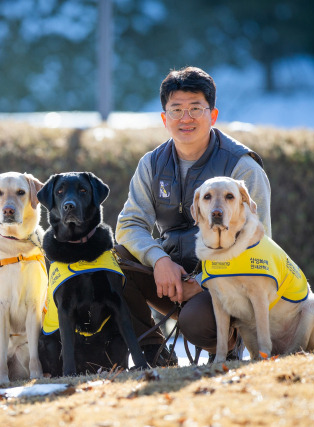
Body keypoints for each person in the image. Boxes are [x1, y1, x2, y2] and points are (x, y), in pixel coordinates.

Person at [114, 66, 272, 366]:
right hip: (169, 276)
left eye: (195, 108)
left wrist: (203, 280)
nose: (185, 118)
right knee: (114, 262)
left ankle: (229, 343)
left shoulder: (242, 166)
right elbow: (129, 224)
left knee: (196, 321)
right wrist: (160, 261)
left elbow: (257, 240)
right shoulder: (151, 164)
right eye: (176, 110)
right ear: (164, 118)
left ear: (212, 115)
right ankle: (154, 352)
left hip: (226, 281)